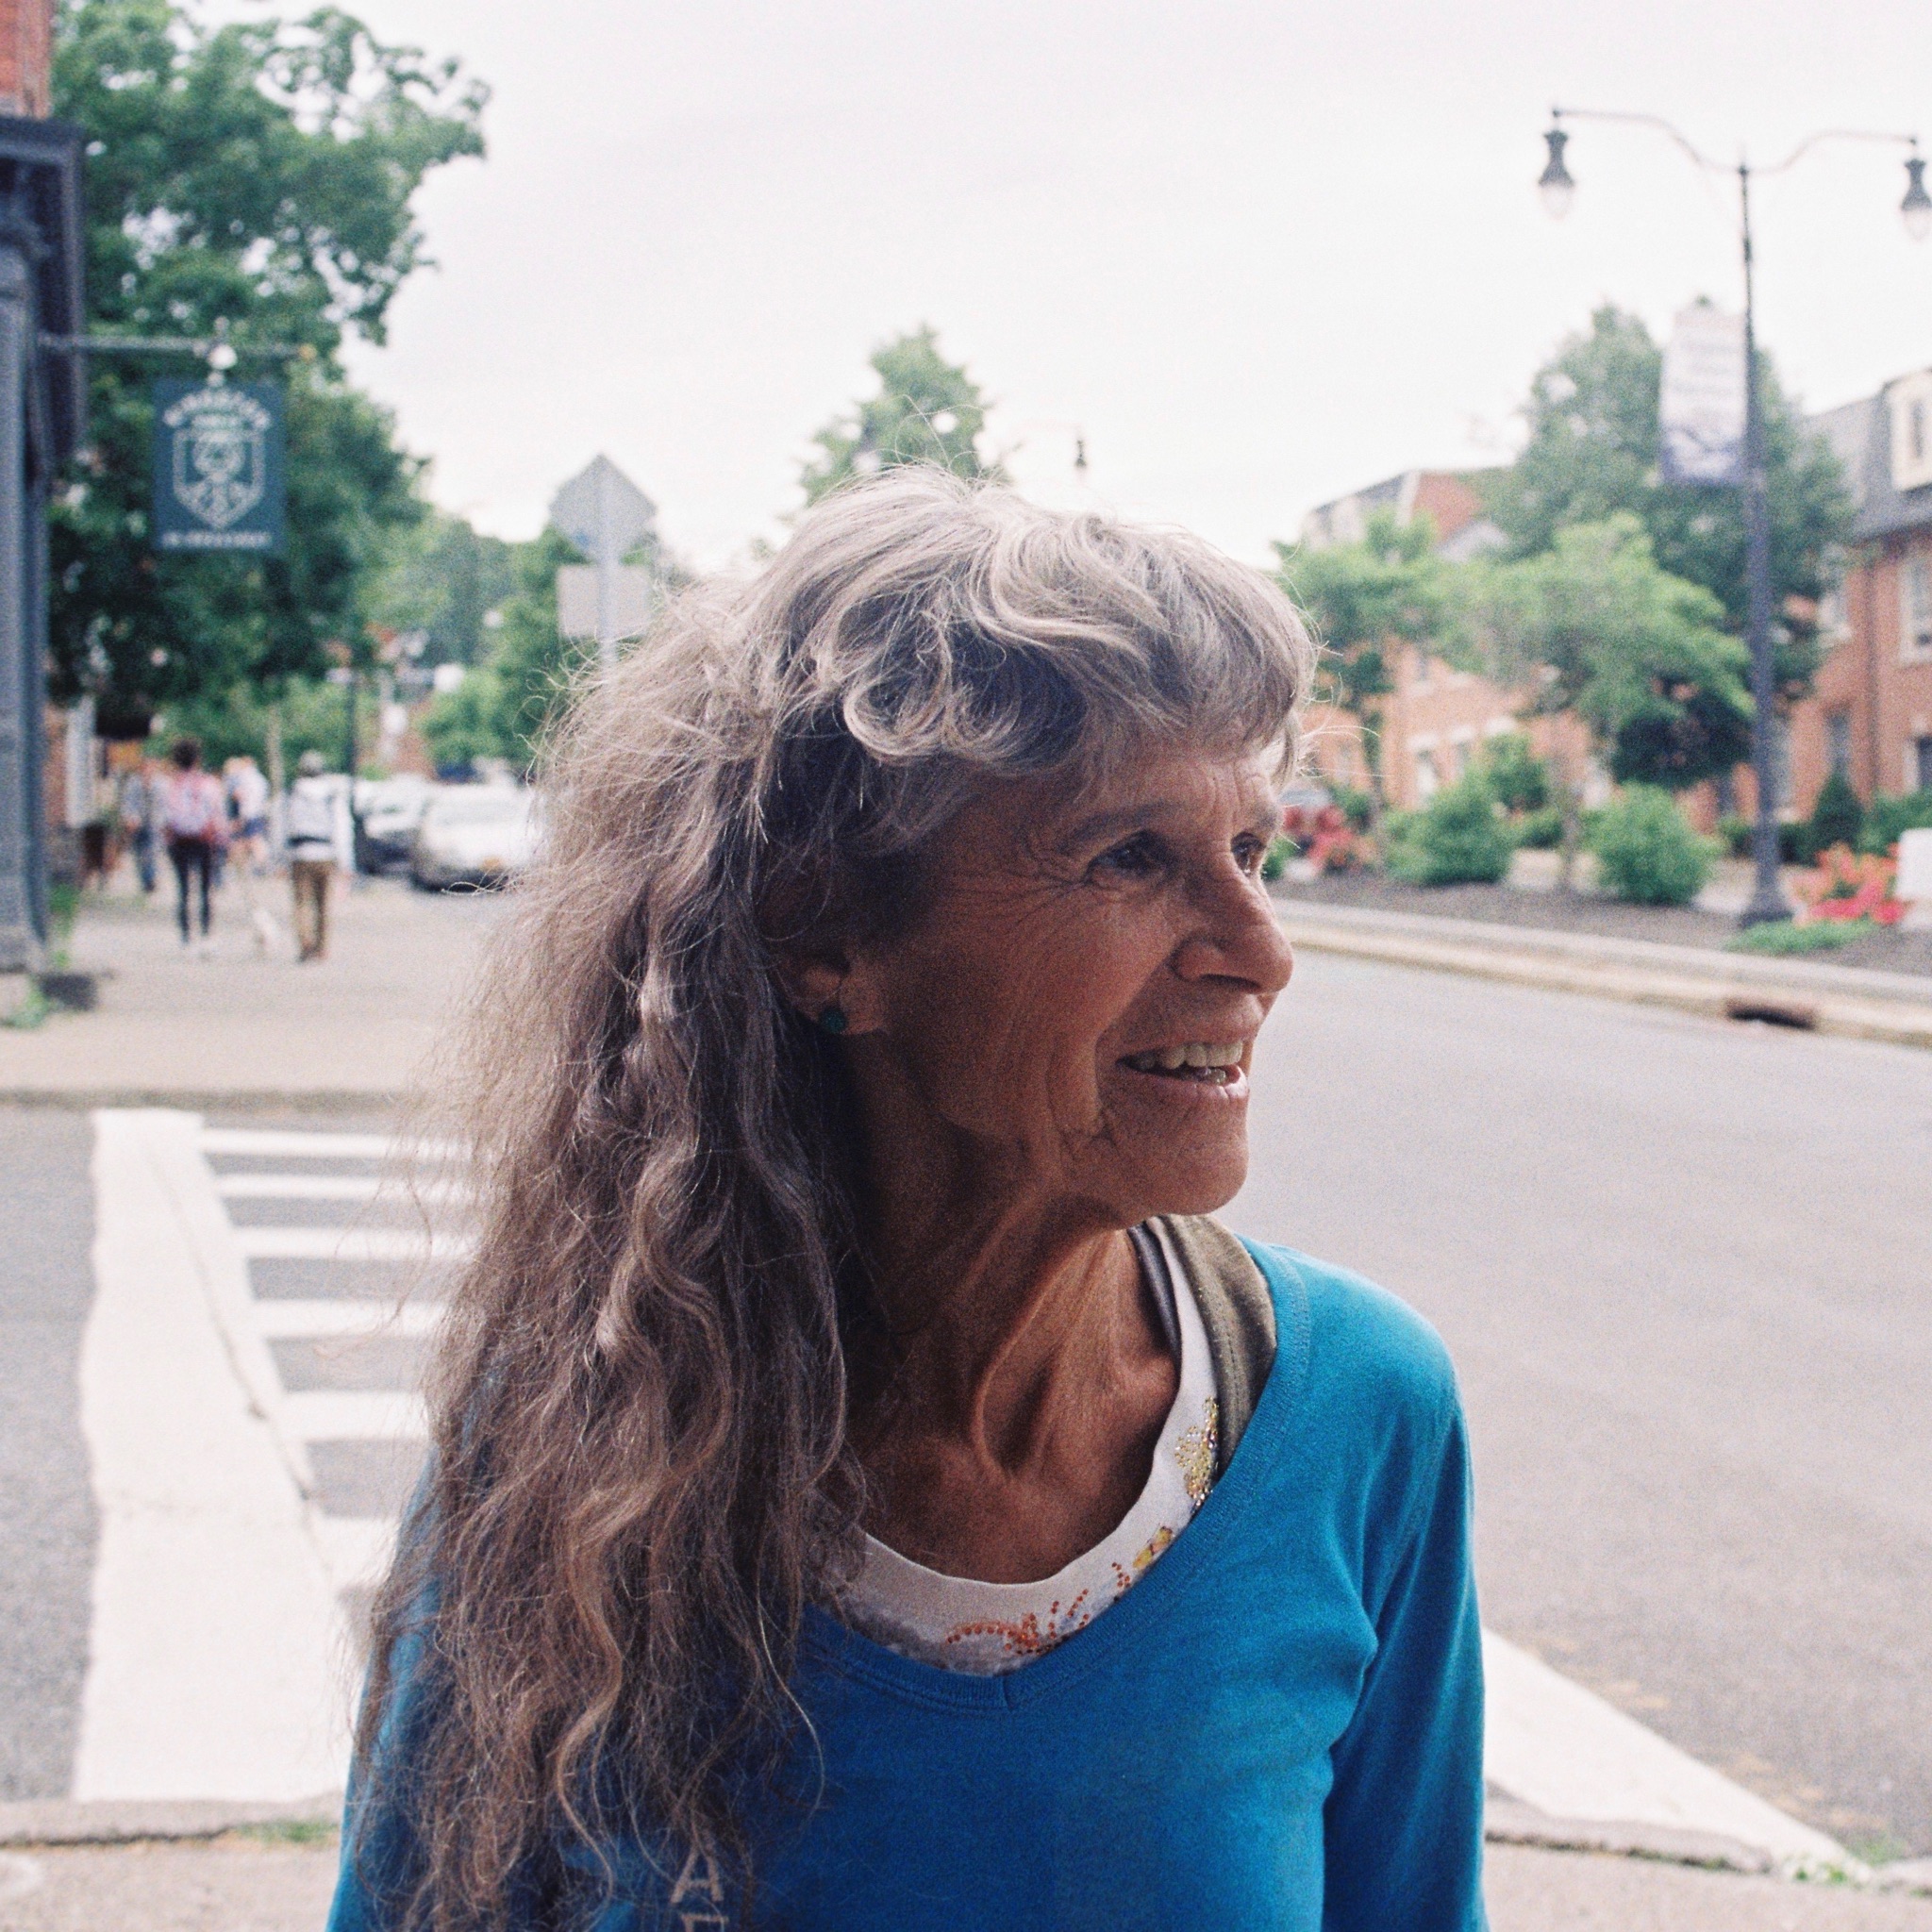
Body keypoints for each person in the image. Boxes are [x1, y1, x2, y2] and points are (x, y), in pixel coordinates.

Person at [330, 474, 1486, 1932]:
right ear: (825, 934)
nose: (1260, 950)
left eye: (1250, 851)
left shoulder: (1354, 1415)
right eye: (1131, 856)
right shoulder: (585, 1429)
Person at [158, 738, 225, 951]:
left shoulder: (170, 785)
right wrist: (223, 838)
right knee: (206, 888)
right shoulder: (209, 783)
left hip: (179, 840)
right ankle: (206, 934)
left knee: (183, 889)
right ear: (197, 759)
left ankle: (186, 936)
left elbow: (165, 816)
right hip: (204, 840)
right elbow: (217, 813)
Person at [285, 749, 341, 962]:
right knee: (323, 904)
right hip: (325, 853)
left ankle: (305, 944)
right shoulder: (331, 794)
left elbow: (283, 826)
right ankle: (321, 947)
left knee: (302, 903)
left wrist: (280, 857)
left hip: (300, 853)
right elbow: (341, 827)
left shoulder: (292, 792)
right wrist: (344, 860)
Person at [225, 754, 272, 874]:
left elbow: (239, 796)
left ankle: (258, 867)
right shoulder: (261, 779)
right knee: (250, 841)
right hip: (258, 812)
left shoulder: (245, 778)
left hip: (248, 814)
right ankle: (253, 867)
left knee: (251, 841)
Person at [118, 757, 158, 897]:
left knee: (151, 852)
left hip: (152, 824)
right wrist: (129, 818)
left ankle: (150, 880)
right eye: (146, 768)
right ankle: (144, 879)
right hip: (136, 824)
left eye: (151, 768)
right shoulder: (133, 784)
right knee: (138, 854)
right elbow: (127, 803)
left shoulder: (158, 784)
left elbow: (161, 804)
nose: (148, 771)